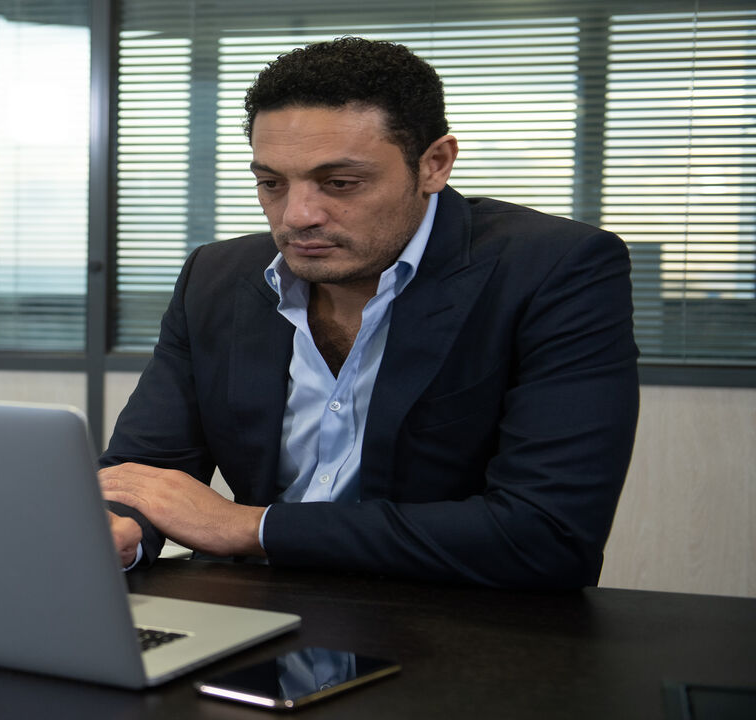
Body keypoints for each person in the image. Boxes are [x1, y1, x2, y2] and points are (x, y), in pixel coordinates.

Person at [99, 37, 639, 589]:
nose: (298, 215)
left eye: (340, 183)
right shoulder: (215, 277)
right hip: (250, 617)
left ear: (434, 164)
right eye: (271, 183)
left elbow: (547, 534)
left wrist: (250, 527)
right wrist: (121, 533)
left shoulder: (555, 270)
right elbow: (142, 476)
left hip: (453, 630)